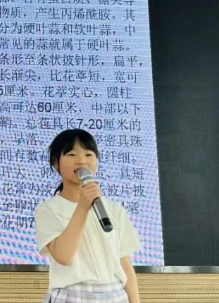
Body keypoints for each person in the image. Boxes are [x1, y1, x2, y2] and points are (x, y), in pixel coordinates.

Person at [34, 129, 141, 303]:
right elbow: (63, 256)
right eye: (71, 154)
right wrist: (82, 207)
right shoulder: (47, 210)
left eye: (89, 154)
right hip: (70, 296)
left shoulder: (114, 210)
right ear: (55, 162)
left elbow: (124, 263)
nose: (81, 160)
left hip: (114, 295)